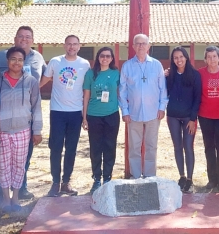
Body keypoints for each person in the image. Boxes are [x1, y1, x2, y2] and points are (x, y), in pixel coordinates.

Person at [0, 26, 46, 200]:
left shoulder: (38, 58)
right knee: (2, 159)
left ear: (32, 40)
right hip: (3, 120)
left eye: (28, 37)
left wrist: (34, 87)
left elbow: (46, 75)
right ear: (15, 39)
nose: (24, 39)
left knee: (23, 157)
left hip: (25, 118)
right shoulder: (0, 56)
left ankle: (21, 189)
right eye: (21, 36)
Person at [40, 35, 90, 197]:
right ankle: (55, 182)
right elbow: (44, 80)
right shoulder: (55, 62)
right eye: (69, 44)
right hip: (57, 111)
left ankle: (66, 182)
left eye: (75, 44)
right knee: (55, 147)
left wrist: (85, 115)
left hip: (75, 112)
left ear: (79, 46)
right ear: (64, 45)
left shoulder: (84, 64)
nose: (72, 47)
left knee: (71, 149)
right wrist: (29, 90)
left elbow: (87, 89)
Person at [119, 34, 168, 179]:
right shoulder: (127, 66)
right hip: (133, 113)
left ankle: (150, 176)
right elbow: (122, 91)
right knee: (134, 147)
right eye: (138, 43)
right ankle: (135, 176)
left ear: (148, 46)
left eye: (143, 43)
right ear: (133, 46)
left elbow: (163, 88)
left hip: (153, 113)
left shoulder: (156, 65)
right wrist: (125, 111)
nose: (141, 46)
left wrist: (162, 107)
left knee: (151, 146)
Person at [82, 47, 120, 194]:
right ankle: (97, 178)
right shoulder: (90, 74)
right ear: (98, 57)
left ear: (112, 59)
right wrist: (84, 117)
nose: (105, 58)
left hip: (111, 114)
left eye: (108, 56)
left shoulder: (116, 73)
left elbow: (121, 92)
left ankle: (108, 177)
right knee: (96, 148)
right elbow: (86, 96)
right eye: (102, 56)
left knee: (110, 146)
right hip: (94, 115)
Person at [165, 47, 201, 193]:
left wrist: (193, 119)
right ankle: (182, 176)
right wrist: (163, 75)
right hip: (172, 115)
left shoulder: (195, 75)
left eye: (181, 57)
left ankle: (190, 179)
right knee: (177, 146)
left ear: (186, 57)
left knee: (188, 146)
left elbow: (197, 98)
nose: (178, 60)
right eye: (175, 57)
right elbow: (163, 91)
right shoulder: (170, 75)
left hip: (188, 117)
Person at [198, 46, 219, 192]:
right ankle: (212, 179)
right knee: (209, 147)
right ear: (205, 59)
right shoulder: (200, 73)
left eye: (214, 56)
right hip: (205, 116)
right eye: (209, 57)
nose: (212, 59)